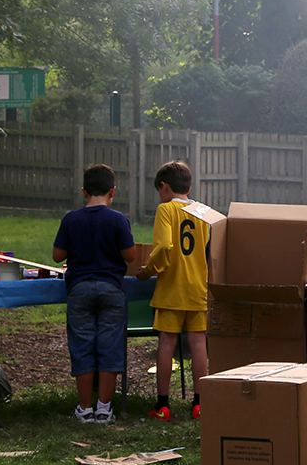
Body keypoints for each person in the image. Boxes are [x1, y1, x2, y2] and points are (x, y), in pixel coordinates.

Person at [52, 163, 136, 424]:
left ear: (84, 191)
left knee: (83, 346)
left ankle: (85, 408)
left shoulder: (71, 219)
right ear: (113, 191)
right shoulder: (118, 219)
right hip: (112, 289)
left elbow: (57, 256)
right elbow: (131, 256)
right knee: (110, 347)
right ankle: (104, 408)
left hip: (79, 290)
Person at [138, 159, 210, 420]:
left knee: (167, 343)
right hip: (198, 287)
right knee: (199, 343)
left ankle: (163, 405)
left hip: (171, 288)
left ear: (164, 187)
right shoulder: (203, 212)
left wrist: (147, 271)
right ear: (188, 186)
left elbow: (165, 247)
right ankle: (200, 404)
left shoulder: (165, 210)